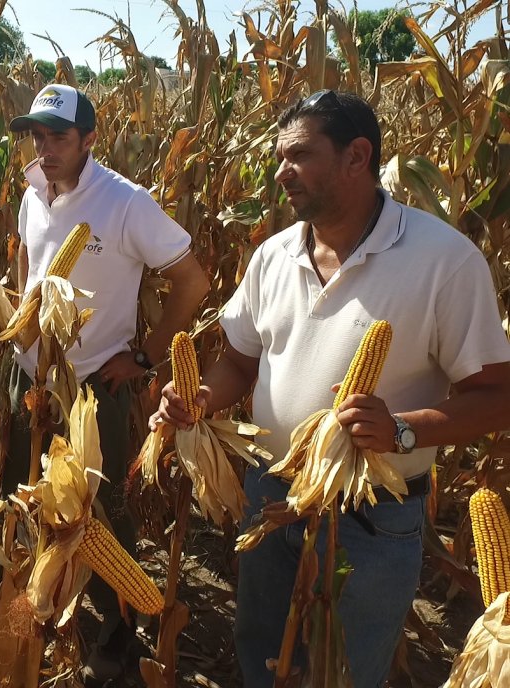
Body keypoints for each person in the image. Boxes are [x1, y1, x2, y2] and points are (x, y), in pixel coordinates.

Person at [151, 90, 510, 687]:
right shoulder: (272, 255)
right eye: (278, 156)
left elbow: (496, 395)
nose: (279, 171)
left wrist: (402, 429)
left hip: (371, 513)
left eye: (298, 155)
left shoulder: (443, 260)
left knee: (344, 672)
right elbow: (239, 364)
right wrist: (200, 399)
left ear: (357, 157)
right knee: (262, 653)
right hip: (270, 492)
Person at [4, 83, 210, 684]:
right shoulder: (32, 188)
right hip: (30, 379)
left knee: (106, 518)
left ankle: (116, 638)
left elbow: (192, 283)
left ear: (90, 139)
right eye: (37, 136)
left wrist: (145, 358)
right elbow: (27, 262)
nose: (45, 148)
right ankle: (31, 618)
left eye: (58, 137)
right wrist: (22, 320)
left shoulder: (125, 202)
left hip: (94, 387)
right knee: (27, 499)